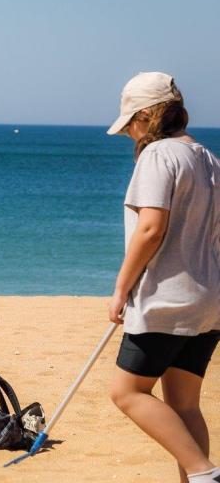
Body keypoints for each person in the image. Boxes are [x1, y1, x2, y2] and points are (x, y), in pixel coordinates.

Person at [106, 72, 220, 483]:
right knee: (185, 404)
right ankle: (198, 478)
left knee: (128, 392)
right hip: (208, 299)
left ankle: (205, 473)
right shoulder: (208, 158)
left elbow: (151, 228)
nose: (129, 134)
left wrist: (121, 288)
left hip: (167, 300)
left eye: (131, 123)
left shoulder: (158, 156)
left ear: (147, 115)